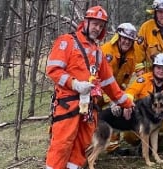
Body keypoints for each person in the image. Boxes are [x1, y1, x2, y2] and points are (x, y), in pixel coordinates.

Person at [45, 6, 133, 169]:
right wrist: (75, 84)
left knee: (80, 147)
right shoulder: (67, 41)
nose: (97, 28)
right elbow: (53, 70)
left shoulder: (98, 52)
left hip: (88, 109)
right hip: (67, 105)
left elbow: (109, 83)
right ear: (86, 22)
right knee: (61, 145)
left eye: (100, 26)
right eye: (95, 24)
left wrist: (126, 102)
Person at [121, 53, 163, 152]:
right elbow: (131, 91)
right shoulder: (144, 78)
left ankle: (152, 147)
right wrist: (127, 104)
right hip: (141, 116)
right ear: (154, 67)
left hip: (158, 116)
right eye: (159, 68)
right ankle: (138, 145)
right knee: (129, 134)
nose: (161, 71)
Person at [100, 22, 138, 153]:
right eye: (124, 38)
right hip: (96, 91)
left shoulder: (131, 58)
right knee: (91, 118)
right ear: (118, 37)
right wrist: (111, 101)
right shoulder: (106, 51)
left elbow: (124, 82)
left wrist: (119, 100)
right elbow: (101, 79)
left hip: (114, 92)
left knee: (118, 111)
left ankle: (112, 147)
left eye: (130, 40)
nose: (127, 42)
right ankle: (86, 147)